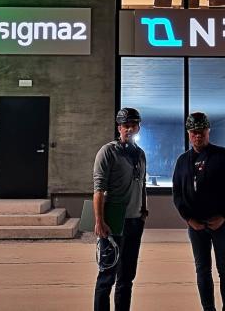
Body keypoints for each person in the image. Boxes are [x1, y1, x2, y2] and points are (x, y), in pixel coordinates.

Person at [172, 112, 225, 311]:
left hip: (221, 225)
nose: (198, 136)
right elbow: (177, 193)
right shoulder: (182, 161)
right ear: (188, 133)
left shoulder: (222, 156)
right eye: (193, 132)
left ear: (208, 131)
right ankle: (208, 308)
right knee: (202, 270)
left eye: (201, 132)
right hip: (196, 227)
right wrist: (188, 219)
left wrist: (223, 215)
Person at [92, 107, 148, 311]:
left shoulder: (140, 154)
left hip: (135, 222)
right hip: (113, 223)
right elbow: (98, 189)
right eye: (126, 126)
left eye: (134, 125)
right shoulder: (107, 152)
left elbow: (142, 184)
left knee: (127, 278)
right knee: (107, 277)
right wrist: (99, 221)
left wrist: (144, 211)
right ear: (119, 127)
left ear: (138, 127)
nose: (130, 129)